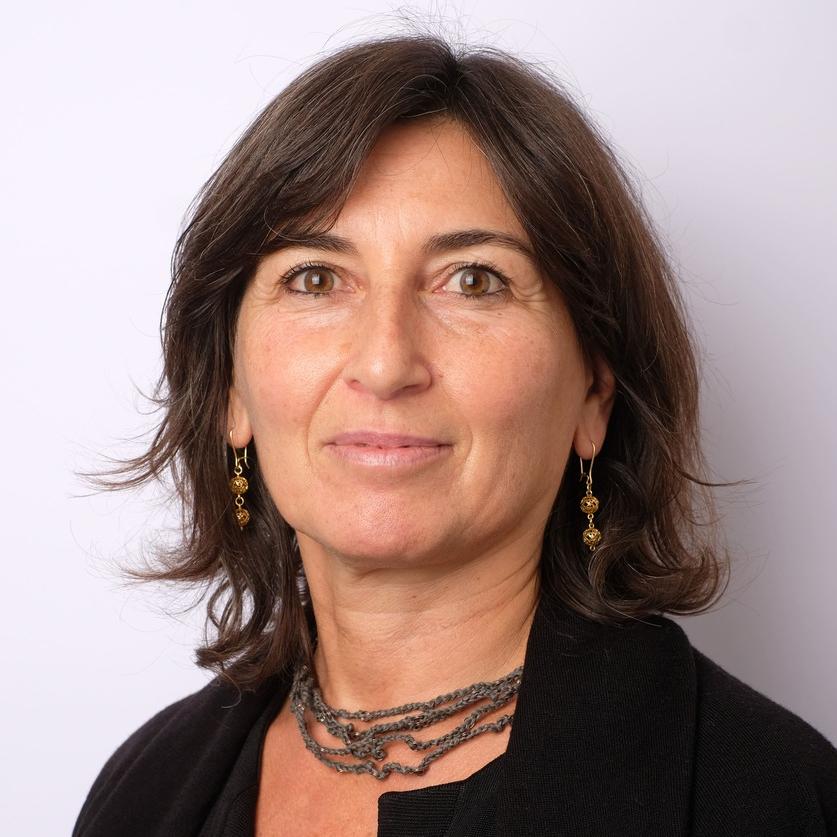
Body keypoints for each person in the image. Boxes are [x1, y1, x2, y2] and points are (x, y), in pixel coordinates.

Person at [72, 31, 837, 837]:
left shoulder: (772, 801)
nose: (384, 362)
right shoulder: (145, 789)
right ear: (232, 388)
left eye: (473, 281)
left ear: (593, 392)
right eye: (315, 278)